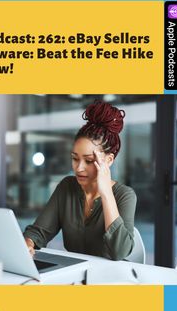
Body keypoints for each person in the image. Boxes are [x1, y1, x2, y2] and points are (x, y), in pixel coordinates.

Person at [23, 100, 137, 261]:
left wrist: (106, 193)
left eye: (89, 160)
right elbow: (39, 232)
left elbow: (119, 252)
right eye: (75, 159)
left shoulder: (125, 195)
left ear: (109, 160)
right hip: (75, 274)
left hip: (111, 278)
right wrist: (28, 242)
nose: (79, 168)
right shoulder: (67, 187)